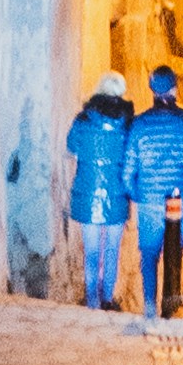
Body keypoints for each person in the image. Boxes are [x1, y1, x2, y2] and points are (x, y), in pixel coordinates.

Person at [121, 57, 183, 318]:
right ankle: (168, 308)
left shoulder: (138, 125)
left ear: (152, 90)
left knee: (149, 255)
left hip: (150, 200)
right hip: (181, 200)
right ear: (174, 89)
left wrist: (138, 194)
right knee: (174, 254)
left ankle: (149, 307)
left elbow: (128, 172)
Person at [62, 77, 139, 308]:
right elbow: (132, 155)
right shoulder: (128, 124)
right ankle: (107, 297)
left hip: (88, 192)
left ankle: (92, 300)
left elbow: (71, 147)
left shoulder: (83, 120)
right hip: (117, 193)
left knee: (92, 251)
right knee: (112, 250)